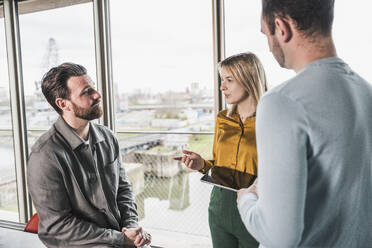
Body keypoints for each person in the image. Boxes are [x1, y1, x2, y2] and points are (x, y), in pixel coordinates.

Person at [237, 0, 372, 247]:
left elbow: (279, 236)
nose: (268, 45)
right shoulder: (366, 92)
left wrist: (246, 199)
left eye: (266, 34)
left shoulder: (282, 102)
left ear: (282, 27)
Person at [27, 63, 151, 248]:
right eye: (86, 92)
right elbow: (58, 226)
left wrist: (131, 228)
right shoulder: (44, 156)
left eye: (93, 87)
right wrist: (120, 239)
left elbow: (123, 190)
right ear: (63, 104)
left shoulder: (108, 137)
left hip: (116, 238)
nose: (98, 95)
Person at [175, 52, 267, 248]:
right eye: (222, 79)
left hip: (255, 207)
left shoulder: (270, 120)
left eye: (229, 80)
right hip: (219, 206)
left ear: (248, 79)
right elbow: (218, 163)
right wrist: (201, 164)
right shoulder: (222, 118)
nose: (222, 86)